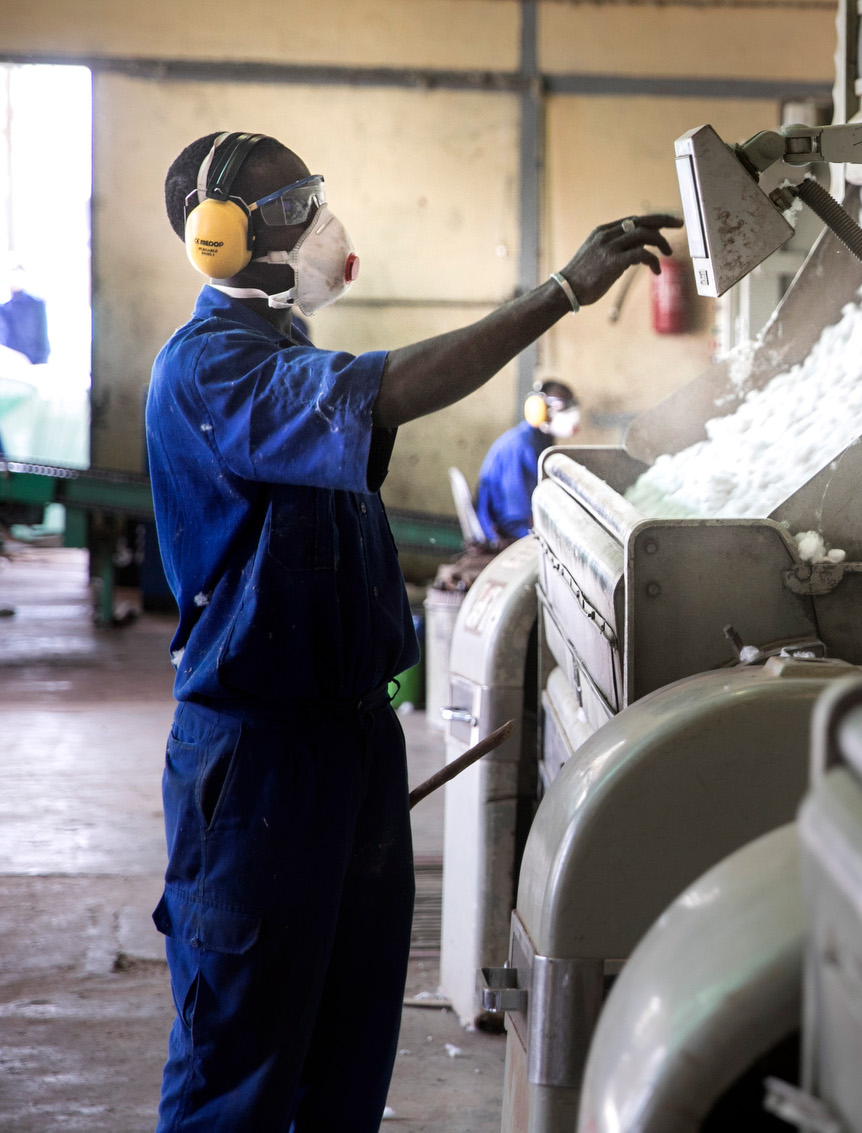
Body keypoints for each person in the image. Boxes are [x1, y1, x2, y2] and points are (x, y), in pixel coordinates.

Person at [146, 130, 673, 1131]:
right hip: (260, 758)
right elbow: (396, 386)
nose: (320, 223)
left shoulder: (282, 349)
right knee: (242, 1059)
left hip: (350, 743)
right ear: (220, 239)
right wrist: (559, 292)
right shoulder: (212, 369)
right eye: (293, 205)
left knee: (346, 1050)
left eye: (314, 196)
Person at [474, 377, 579, 544]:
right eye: (561, 406)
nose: (572, 413)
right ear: (539, 409)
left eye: (572, 405)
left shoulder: (539, 442)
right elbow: (515, 520)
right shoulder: (521, 447)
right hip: (506, 536)